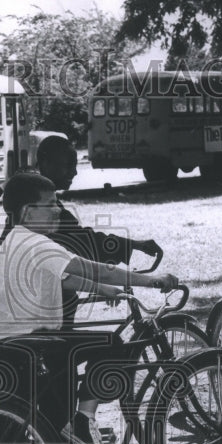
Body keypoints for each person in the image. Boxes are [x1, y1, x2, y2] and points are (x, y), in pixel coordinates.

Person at [0, 172, 178, 444]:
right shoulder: (38, 244)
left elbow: (63, 277)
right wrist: (153, 280)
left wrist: (101, 289)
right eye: (51, 205)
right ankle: (85, 420)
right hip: (38, 341)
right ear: (28, 211)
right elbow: (96, 267)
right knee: (114, 345)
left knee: (53, 412)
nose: (59, 211)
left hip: (16, 340)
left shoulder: (16, 239)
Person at [35, 135, 162, 324]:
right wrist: (133, 246)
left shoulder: (36, 202)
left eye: (75, 165)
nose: (75, 172)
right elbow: (83, 241)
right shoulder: (40, 211)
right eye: (68, 165)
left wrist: (101, 286)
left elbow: (77, 246)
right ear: (45, 164)